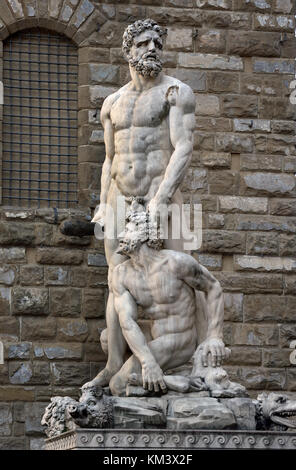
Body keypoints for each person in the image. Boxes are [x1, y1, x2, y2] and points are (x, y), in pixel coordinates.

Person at [86, 18, 196, 389]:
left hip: (161, 196)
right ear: (128, 50)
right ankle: (114, 362)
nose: (152, 49)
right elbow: (108, 158)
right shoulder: (112, 103)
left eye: (157, 44)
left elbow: (183, 147)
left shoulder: (176, 92)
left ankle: (184, 362)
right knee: (116, 280)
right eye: (144, 43)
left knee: (178, 275)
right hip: (118, 200)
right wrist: (103, 204)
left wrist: (162, 199)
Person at [108, 203, 227, 396]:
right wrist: (148, 362)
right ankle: (173, 383)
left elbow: (213, 287)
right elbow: (127, 322)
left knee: (119, 384)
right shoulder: (121, 274)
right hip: (155, 339)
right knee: (111, 357)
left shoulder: (175, 263)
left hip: (181, 339)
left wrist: (214, 336)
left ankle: (159, 379)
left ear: (144, 233)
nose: (121, 235)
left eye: (128, 229)